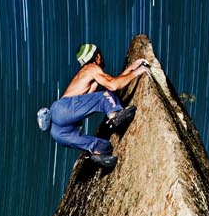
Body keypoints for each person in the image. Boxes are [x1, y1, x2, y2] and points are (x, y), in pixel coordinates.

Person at [42, 44, 149, 172]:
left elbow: (113, 81)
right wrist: (138, 71)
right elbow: (113, 86)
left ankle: (99, 153)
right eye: (101, 55)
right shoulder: (92, 68)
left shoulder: (86, 74)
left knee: (103, 146)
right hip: (62, 109)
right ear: (97, 56)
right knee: (104, 96)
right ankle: (115, 116)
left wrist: (130, 69)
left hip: (57, 132)